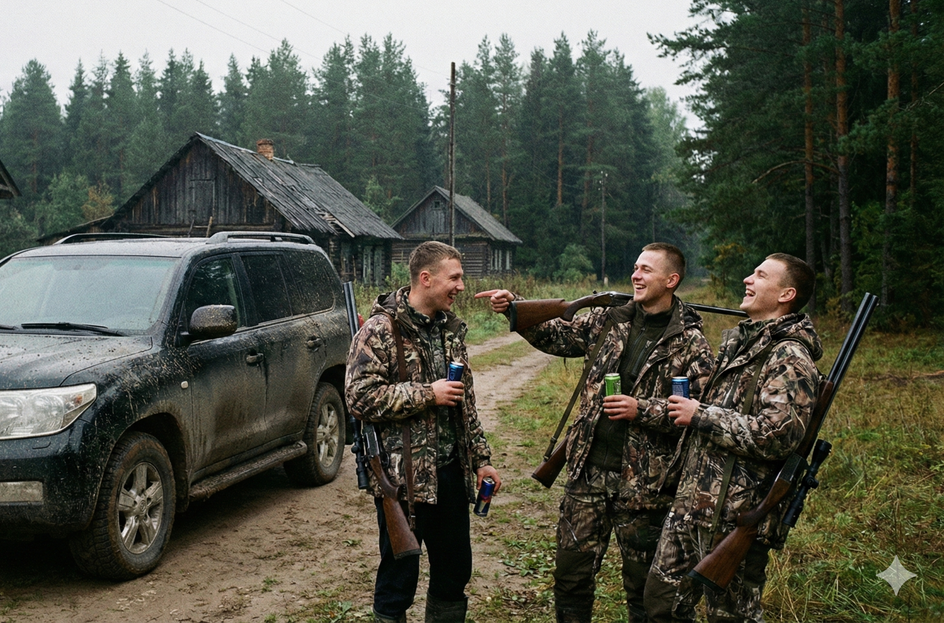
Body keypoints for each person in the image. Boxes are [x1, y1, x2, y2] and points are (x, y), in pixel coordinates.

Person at [477, 243, 715, 623]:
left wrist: (643, 410)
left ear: (672, 280)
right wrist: (516, 307)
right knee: (571, 579)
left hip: (645, 487)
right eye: (635, 267)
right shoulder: (610, 320)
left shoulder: (692, 343)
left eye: (647, 270)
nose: (636, 275)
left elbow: (699, 413)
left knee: (643, 590)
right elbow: (556, 336)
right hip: (587, 474)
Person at [643, 253, 822, 623]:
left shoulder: (789, 356)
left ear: (786, 293)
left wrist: (701, 415)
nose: (747, 279)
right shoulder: (741, 343)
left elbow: (777, 435)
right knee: (660, 604)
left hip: (734, 517)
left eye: (760, 275)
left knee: (730, 617)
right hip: (691, 507)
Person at [346, 241, 501, 623]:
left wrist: (481, 462)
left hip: (450, 473)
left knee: (453, 574)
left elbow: (467, 405)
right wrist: (427, 394)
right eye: (455, 278)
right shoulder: (380, 331)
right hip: (402, 482)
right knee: (398, 582)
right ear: (426, 278)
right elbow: (359, 398)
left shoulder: (449, 331)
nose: (461, 286)